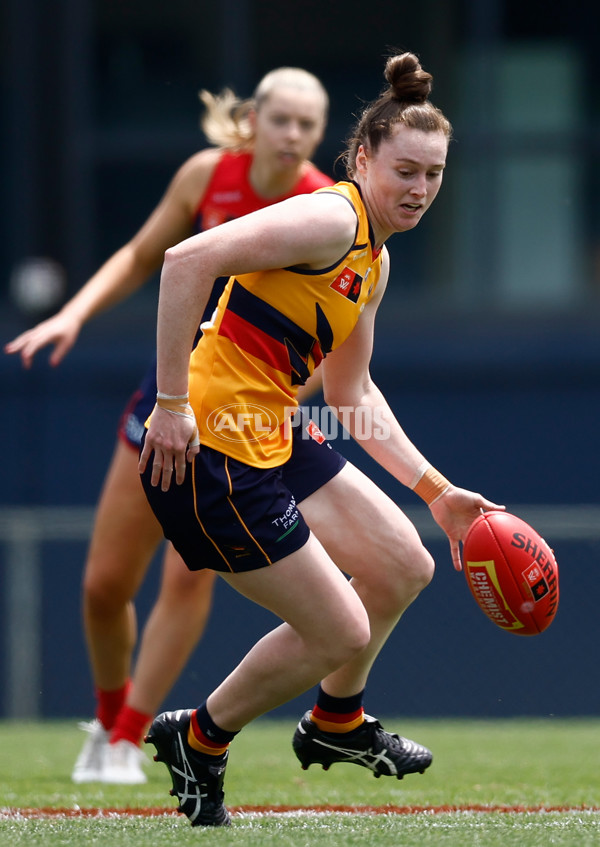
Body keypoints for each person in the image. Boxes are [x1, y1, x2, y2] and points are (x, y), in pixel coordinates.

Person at [138, 51, 505, 828]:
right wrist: (170, 402)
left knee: (406, 562)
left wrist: (436, 493)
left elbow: (352, 394)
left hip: (269, 424)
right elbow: (184, 260)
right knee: (339, 626)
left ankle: (336, 723)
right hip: (210, 449)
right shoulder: (333, 218)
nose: (419, 189)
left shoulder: (373, 258)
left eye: (434, 175)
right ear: (363, 156)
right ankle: (199, 738)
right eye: (405, 169)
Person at [4, 67, 332, 784]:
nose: (295, 135)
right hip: (168, 397)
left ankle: (127, 735)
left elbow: (322, 342)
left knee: (189, 581)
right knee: (103, 585)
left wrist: (273, 407)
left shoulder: (322, 207)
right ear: (253, 119)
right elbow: (140, 254)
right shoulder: (207, 176)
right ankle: (110, 709)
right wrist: (72, 314)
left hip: (239, 417)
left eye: (309, 124)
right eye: (282, 119)